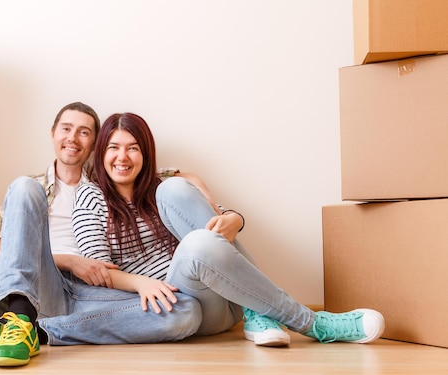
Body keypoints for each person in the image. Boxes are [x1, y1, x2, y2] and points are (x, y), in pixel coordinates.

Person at [72, 112, 386, 348]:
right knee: (196, 244)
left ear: (146, 154)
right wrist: (141, 284)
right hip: (187, 305)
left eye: (133, 148)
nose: (122, 157)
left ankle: (258, 312)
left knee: (176, 191)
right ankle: (313, 323)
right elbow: (99, 272)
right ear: (101, 154)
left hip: (234, 300)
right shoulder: (90, 195)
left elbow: (218, 219)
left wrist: (235, 219)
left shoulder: (161, 188)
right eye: (114, 148)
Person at [0, 102, 202, 367]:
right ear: (53, 133)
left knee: (186, 310)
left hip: (93, 293)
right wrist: (71, 262)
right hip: (45, 285)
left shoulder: (107, 183)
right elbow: (10, 251)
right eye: (66, 129)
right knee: (23, 185)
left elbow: (161, 176)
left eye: (84, 132)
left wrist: (199, 189)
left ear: (95, 144)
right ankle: (18, 313)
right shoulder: (29, 192)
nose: (73, 138)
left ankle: (41, 331)